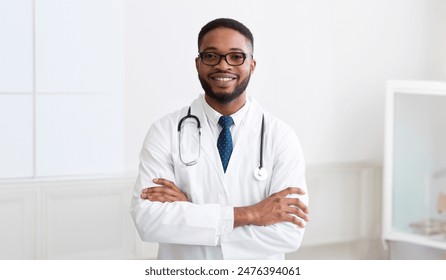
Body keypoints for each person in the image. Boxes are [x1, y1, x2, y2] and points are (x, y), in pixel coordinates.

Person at [131, 18, 309, 260]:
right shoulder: (165, 131)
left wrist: (192, 215)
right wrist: (250, 215)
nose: (223, 66)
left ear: (252, 65)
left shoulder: (281, 137)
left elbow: (288, 234)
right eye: (211, 56)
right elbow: (149, 221)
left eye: (236, 56)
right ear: (198, 63)